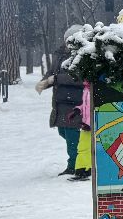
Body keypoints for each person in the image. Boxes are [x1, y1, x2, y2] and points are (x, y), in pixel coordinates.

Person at [36, 26, 87, 177]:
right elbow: (53, 71)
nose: (68, 43)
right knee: (63, 131)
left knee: (72, 135)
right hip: (61, 100)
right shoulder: (60, 53)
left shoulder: (83, 55)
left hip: (75, 101)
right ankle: (80, 160)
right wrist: (45, 81)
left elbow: (79, 77)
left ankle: (76, 165)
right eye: (67, 40)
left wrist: (56, 79)